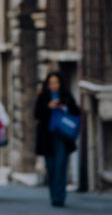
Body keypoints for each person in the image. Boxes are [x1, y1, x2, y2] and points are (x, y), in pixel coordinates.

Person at [34, 72, 81, 207]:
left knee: (61, 165)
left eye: (56, 82)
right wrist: (48, 107)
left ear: (60, 83)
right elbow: (36, 114)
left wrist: (64, 107)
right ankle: (53, 195)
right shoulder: (43, 96)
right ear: (48, 84)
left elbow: (76, 112)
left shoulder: (66, 96)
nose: (54, 85)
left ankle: (59, 197)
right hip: (47, 137)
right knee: (51, 167)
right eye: (52, 83)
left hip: (62, 137)